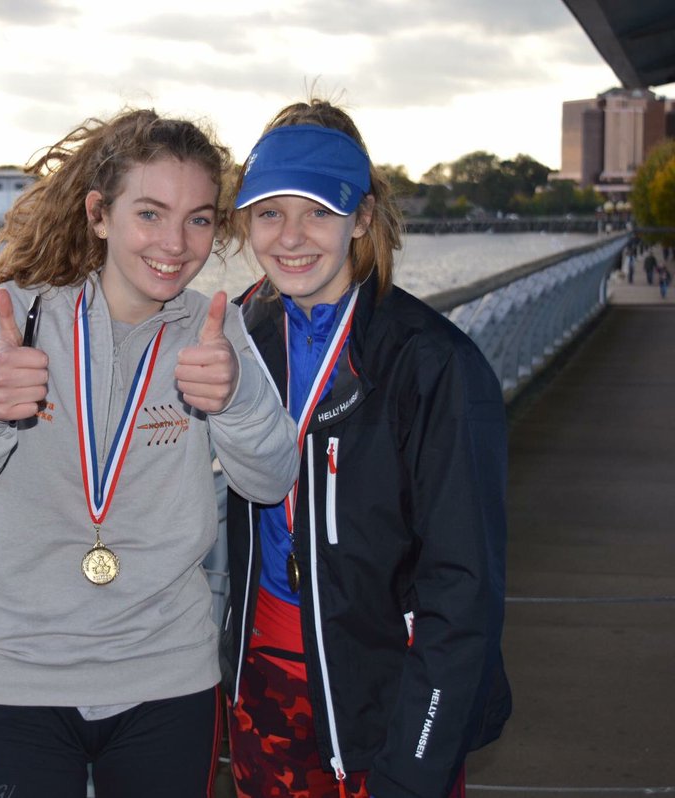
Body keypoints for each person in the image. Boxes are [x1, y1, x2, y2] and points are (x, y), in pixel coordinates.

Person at [0, 108, 299, 798]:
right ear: (100, 214)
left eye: (199, 219)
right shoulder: (20, 316)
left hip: (168, 675)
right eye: (150, 213)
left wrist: (237, 398)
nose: (176, 243)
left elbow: (272, 480)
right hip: (23, 676)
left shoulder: (213, 330)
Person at [220, 99, 512, 798]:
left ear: (362, 218)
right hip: (262, 688)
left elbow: (463, 589)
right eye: (270, 212)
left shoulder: (434, 365)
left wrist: (418, 761)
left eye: (319, 211)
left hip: (389, 693)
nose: (291, 237)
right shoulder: (231, 340)